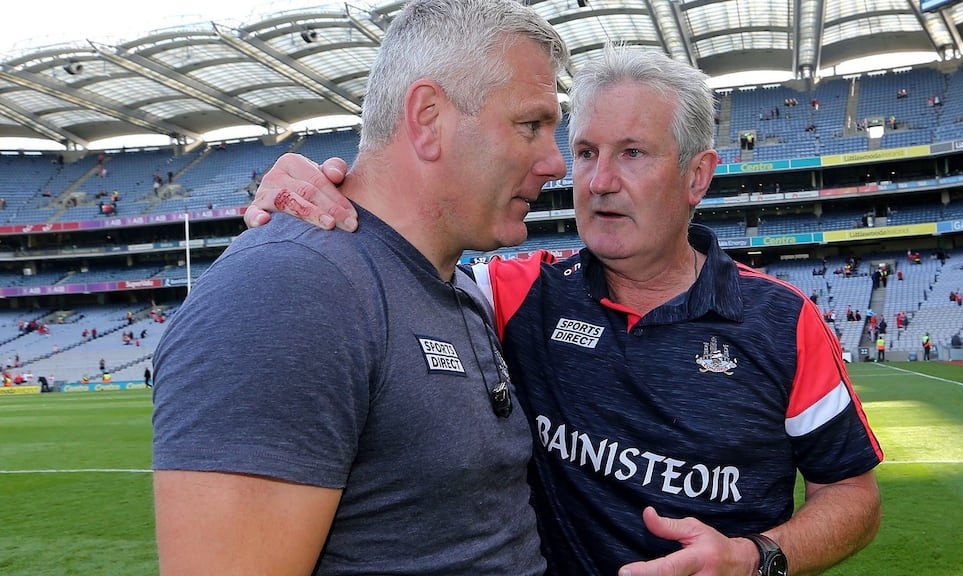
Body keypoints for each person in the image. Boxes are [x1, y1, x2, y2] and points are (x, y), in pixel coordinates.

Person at [249, 45, 883, 576]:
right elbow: (399, 255)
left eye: (632, 153)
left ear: (697, 176)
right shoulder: (516, 293)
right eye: (585, 153)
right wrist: (321, 189)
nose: (599, 180)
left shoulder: (783, 321)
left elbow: (853, 495)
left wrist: (753, 558)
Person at [151, 1, 568, 575]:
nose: (556, 163)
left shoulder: (460, 287)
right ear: (427, 117)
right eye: (531, 126)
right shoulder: (289, 291)